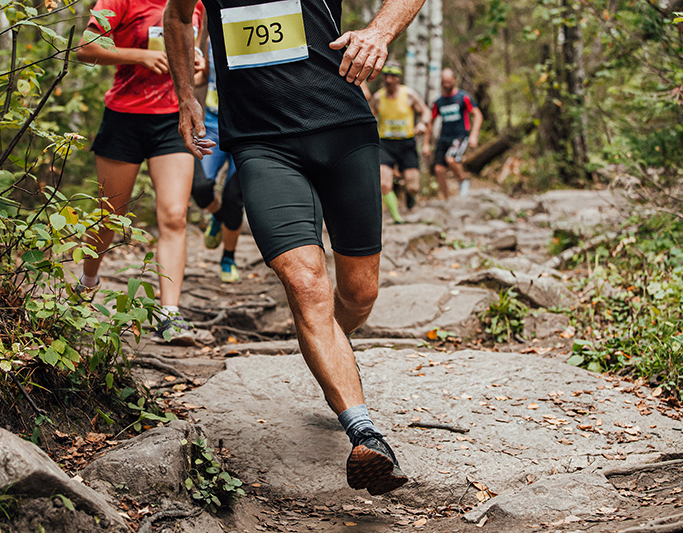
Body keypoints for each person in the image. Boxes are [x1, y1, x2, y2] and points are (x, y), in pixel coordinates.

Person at [163, 0, 424, 495]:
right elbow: (176, 16)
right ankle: (364, 432)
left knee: (360, 294)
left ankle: (333, 349)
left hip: (343, 129)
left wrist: (379, 31)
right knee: (307, 285)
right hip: (262, 144)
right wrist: (186, 97)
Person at [75, 0, 210, 343]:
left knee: (175, 215)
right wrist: (140, 56)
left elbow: (198, 71)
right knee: (109, 216)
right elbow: (85, 49)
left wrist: (198, 64)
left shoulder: (194, 4)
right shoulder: (119, 1)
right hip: (124, 118)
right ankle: (86, 286)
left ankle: (169, 316)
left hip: (173, 118)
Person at [198, 39, 245, 283]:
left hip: (248, 130)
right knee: (200, 186)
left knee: (233, 198)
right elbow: (203, 75)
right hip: (212, 126)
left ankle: (228, 258)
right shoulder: (210, 40)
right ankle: (217, 216)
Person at [369, 62, 430, 223]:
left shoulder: (409, 94)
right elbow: (369, 117)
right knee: (383, 183)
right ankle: (397, 216)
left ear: (398, 78)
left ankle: (409, 194)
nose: (389, 79)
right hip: (386, 144)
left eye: (392, 76)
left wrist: (422, 123)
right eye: (386, 76)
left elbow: (425, 111)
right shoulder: (378, 97)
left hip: (406, 144)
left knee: (413, 187)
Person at [422, 68, 483, 198]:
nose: (446, 85)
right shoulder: (438, 102)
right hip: (444, 137)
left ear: (454, 80)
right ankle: (446, 200)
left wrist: (474, 135)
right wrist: (426, 143)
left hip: (460, 136)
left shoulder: (463, 97)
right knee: (439, 169)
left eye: (449, 82)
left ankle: (463, 181)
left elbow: (477, 115)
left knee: (451, 159)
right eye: (444, 82)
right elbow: (431, 122)